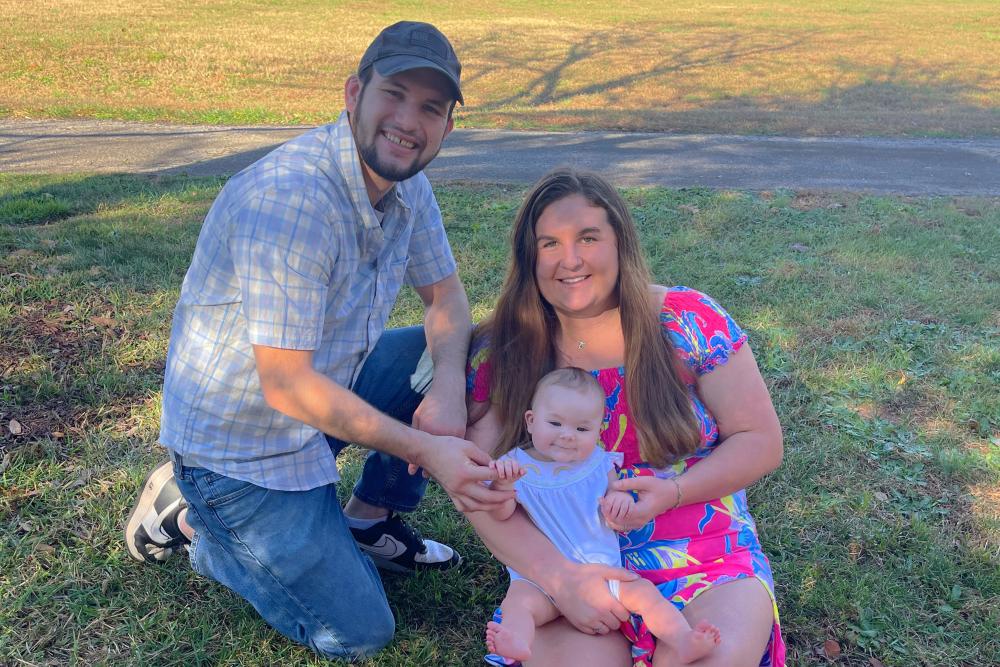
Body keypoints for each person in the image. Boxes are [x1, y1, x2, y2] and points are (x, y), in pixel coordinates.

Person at [123, 21, 512, 660]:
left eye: (430, 108)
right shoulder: (292, 200)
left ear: (447, 126)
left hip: (320, 403)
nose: (408, 121)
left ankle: (367, 519)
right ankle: (200, 523)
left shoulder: (407, 186)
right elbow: (287, 385)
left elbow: (446, 298)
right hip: (243, 451)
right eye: (394, 95)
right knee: (358, 632)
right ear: (354, 94)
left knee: (463, 349)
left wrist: (446, 389)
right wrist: (429, 450)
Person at [464, 168, 786, 666]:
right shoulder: (509, 346)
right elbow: (473, 483)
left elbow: (759, 439)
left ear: (620, 243)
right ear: (530, 257)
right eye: (549, 244)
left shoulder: (687, 320)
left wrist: (674, 492)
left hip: (702, 547)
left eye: (588, 238)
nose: (570, 260)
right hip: (572, 564)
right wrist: (559, 579)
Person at [483, 367, 722, 666]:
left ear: (598, 431)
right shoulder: (515, 466)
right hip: (538, 579)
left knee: (644, 594)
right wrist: (503, 486)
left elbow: (615, 493)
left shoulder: (599, 462)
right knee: (519, 603)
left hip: (603, 573)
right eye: (555, 423)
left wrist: (619, 502)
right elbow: (501, 514)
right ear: (531, 421)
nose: (567, 435)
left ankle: (682, 639)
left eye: (582, 429)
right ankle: (517, 641)